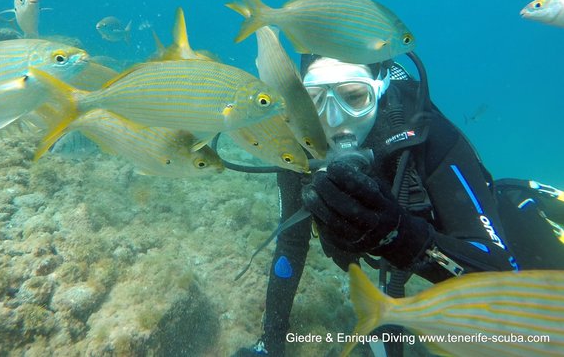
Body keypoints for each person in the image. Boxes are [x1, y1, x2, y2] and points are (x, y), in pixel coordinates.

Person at [234, 53, 564, 356]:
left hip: (512, 233)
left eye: (354, 97)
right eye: (315, 99)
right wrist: (270, 343)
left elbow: (501, 276)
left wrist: (402, 236)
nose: (334, 119)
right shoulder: (296, 144)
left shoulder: (430, 136)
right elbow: (291, 243)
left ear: (379, 89)